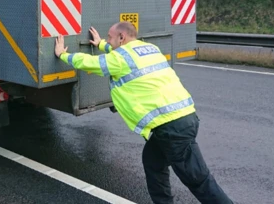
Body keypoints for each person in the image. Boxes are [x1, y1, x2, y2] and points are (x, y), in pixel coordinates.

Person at [54, 22, 233, 204]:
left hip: (172, 128)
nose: (108, 39)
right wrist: (101, 44)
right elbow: (118, 53)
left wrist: (63, 55)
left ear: (122, 38)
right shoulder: (149, 48)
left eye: (110, 36)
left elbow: (91, 63)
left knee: (198, 181)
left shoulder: (121, 58)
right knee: (153, 162)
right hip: (181, 119)